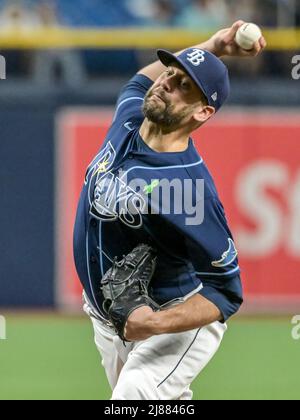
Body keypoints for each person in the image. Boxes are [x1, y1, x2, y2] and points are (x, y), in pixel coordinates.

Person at [73, 21, 266, 400]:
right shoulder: (130, 120)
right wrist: (214, 45)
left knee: (133, 397)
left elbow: (227, 293)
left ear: (202, 112)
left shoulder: (187, 188)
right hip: (112, 318)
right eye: (170, 73)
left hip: (172, 315)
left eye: (183, 86)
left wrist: (157, 323)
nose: (166, 83)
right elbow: (139, 82)